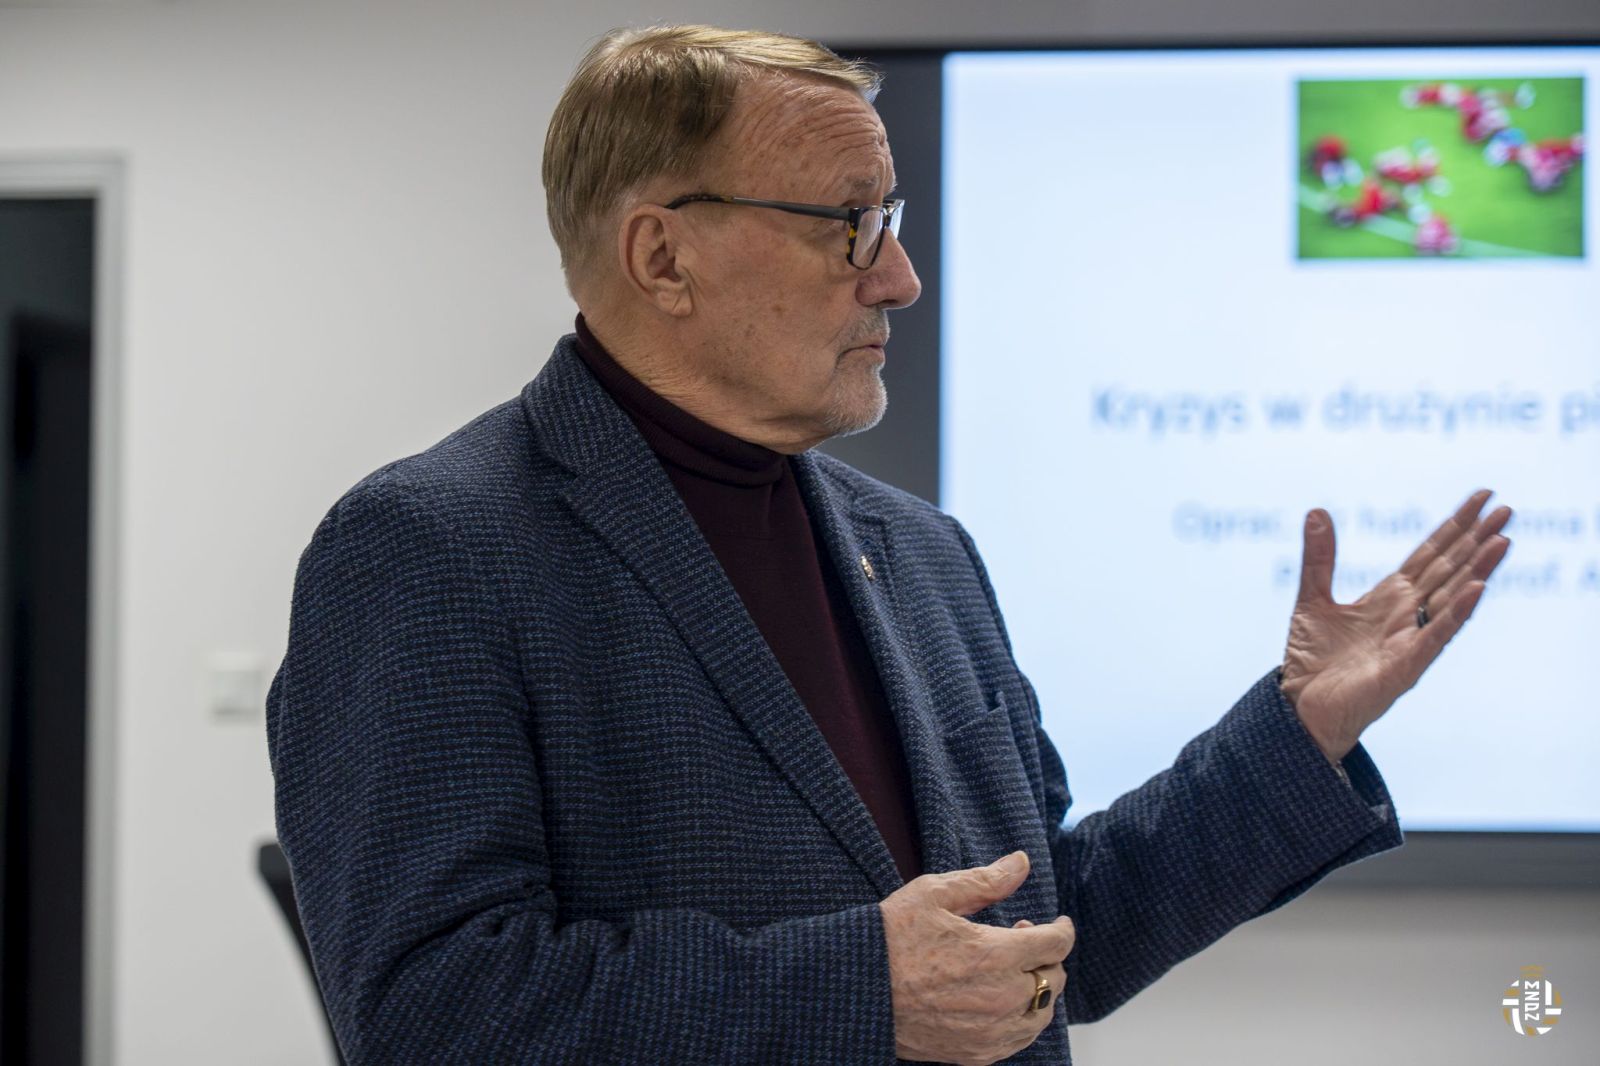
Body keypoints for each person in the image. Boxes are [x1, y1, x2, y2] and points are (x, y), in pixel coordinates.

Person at [265, 25, 1513, 1066]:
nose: (902, 277)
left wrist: (1296, 732)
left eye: (891, 217)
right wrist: (860, 984)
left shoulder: (919, 551)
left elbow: (1046, 937)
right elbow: (429, 1010)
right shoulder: (430, 549)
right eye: (849, 223)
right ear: (662, 255)